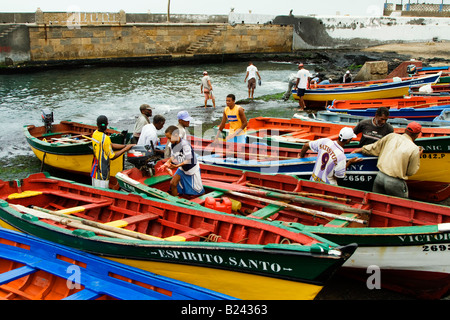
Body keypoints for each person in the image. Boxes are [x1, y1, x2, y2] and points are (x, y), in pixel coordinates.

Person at [351, 122, 423, 198]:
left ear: (405, 130)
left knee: (377, 203)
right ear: (417, 135)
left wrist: (360, 150)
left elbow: (374, 148)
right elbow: (410, 172)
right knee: (400, 207)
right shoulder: (414, 149)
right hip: (395, 182)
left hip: (380, 177)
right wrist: (417, 157)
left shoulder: (391, 136)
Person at [90, 115, 134, 188]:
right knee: (103, 192)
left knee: (95, 189)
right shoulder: (105, 138)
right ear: (107, 124)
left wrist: (125, 146)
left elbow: (110, 145)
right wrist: (125, 149)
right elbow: (112, 156)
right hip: (102, 172)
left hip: (95, 169)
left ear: (97, 124)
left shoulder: (95, 134)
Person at [164, 125, 204, 196]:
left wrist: (177, 165)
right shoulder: (173, 144)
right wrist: (168, 162)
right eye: (168, 138)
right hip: (182, 167)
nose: (169, 140)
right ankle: (175, 201)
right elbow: (174, 155)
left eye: (170, 138)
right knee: (173, 183)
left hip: (192, 168)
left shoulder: (185, 145)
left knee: (198, 191)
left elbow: (188, 160)